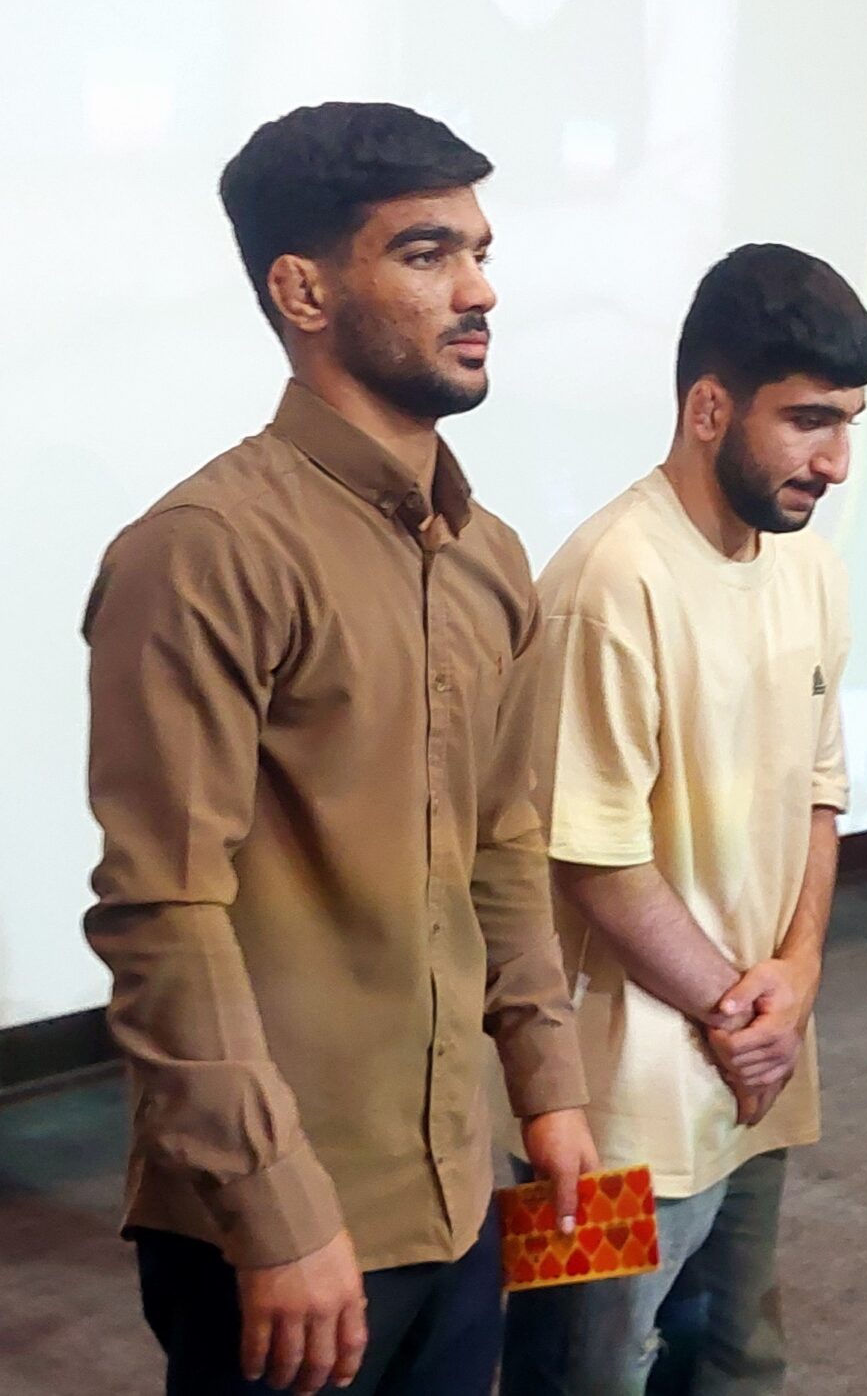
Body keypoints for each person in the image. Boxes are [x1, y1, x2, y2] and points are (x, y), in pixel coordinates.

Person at [82, 101, 596, 1396]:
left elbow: (503, 845)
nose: (479, 290)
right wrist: (277, 1208)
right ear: (302, 290)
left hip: (458, 1190)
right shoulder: (204, 550)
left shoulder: (490, 556)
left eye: (479, 251)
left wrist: (548, 1088)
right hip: (284, 1222)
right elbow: (162, 911)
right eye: (427, 253)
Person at [500, 246, 867, 1395]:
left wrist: (797, 977)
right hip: (607, 1110)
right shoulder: (608, 580)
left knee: (734, 1357)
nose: (836, 462)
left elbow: (820, 788)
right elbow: (593, 858)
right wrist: (740, 1014)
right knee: (584, 1373)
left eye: (849, 423)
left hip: (754, 1074)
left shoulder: (810, 569)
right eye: (808, 421)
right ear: (708, 408)